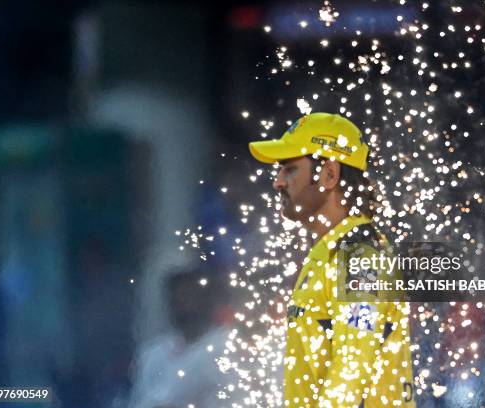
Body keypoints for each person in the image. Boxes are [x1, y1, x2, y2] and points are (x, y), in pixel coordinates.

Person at [249, 112, 415, 407]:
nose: (278, 183)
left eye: (289, 170)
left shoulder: (360, 256)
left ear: (329, 174)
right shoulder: (331, 252)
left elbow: (354, 362)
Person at [129, 267, 233, 408]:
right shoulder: (153, 353)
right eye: (178, 296)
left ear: (208, 299)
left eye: (191, 295)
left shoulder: (226, 347)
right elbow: (143, 401)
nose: (184, 303)